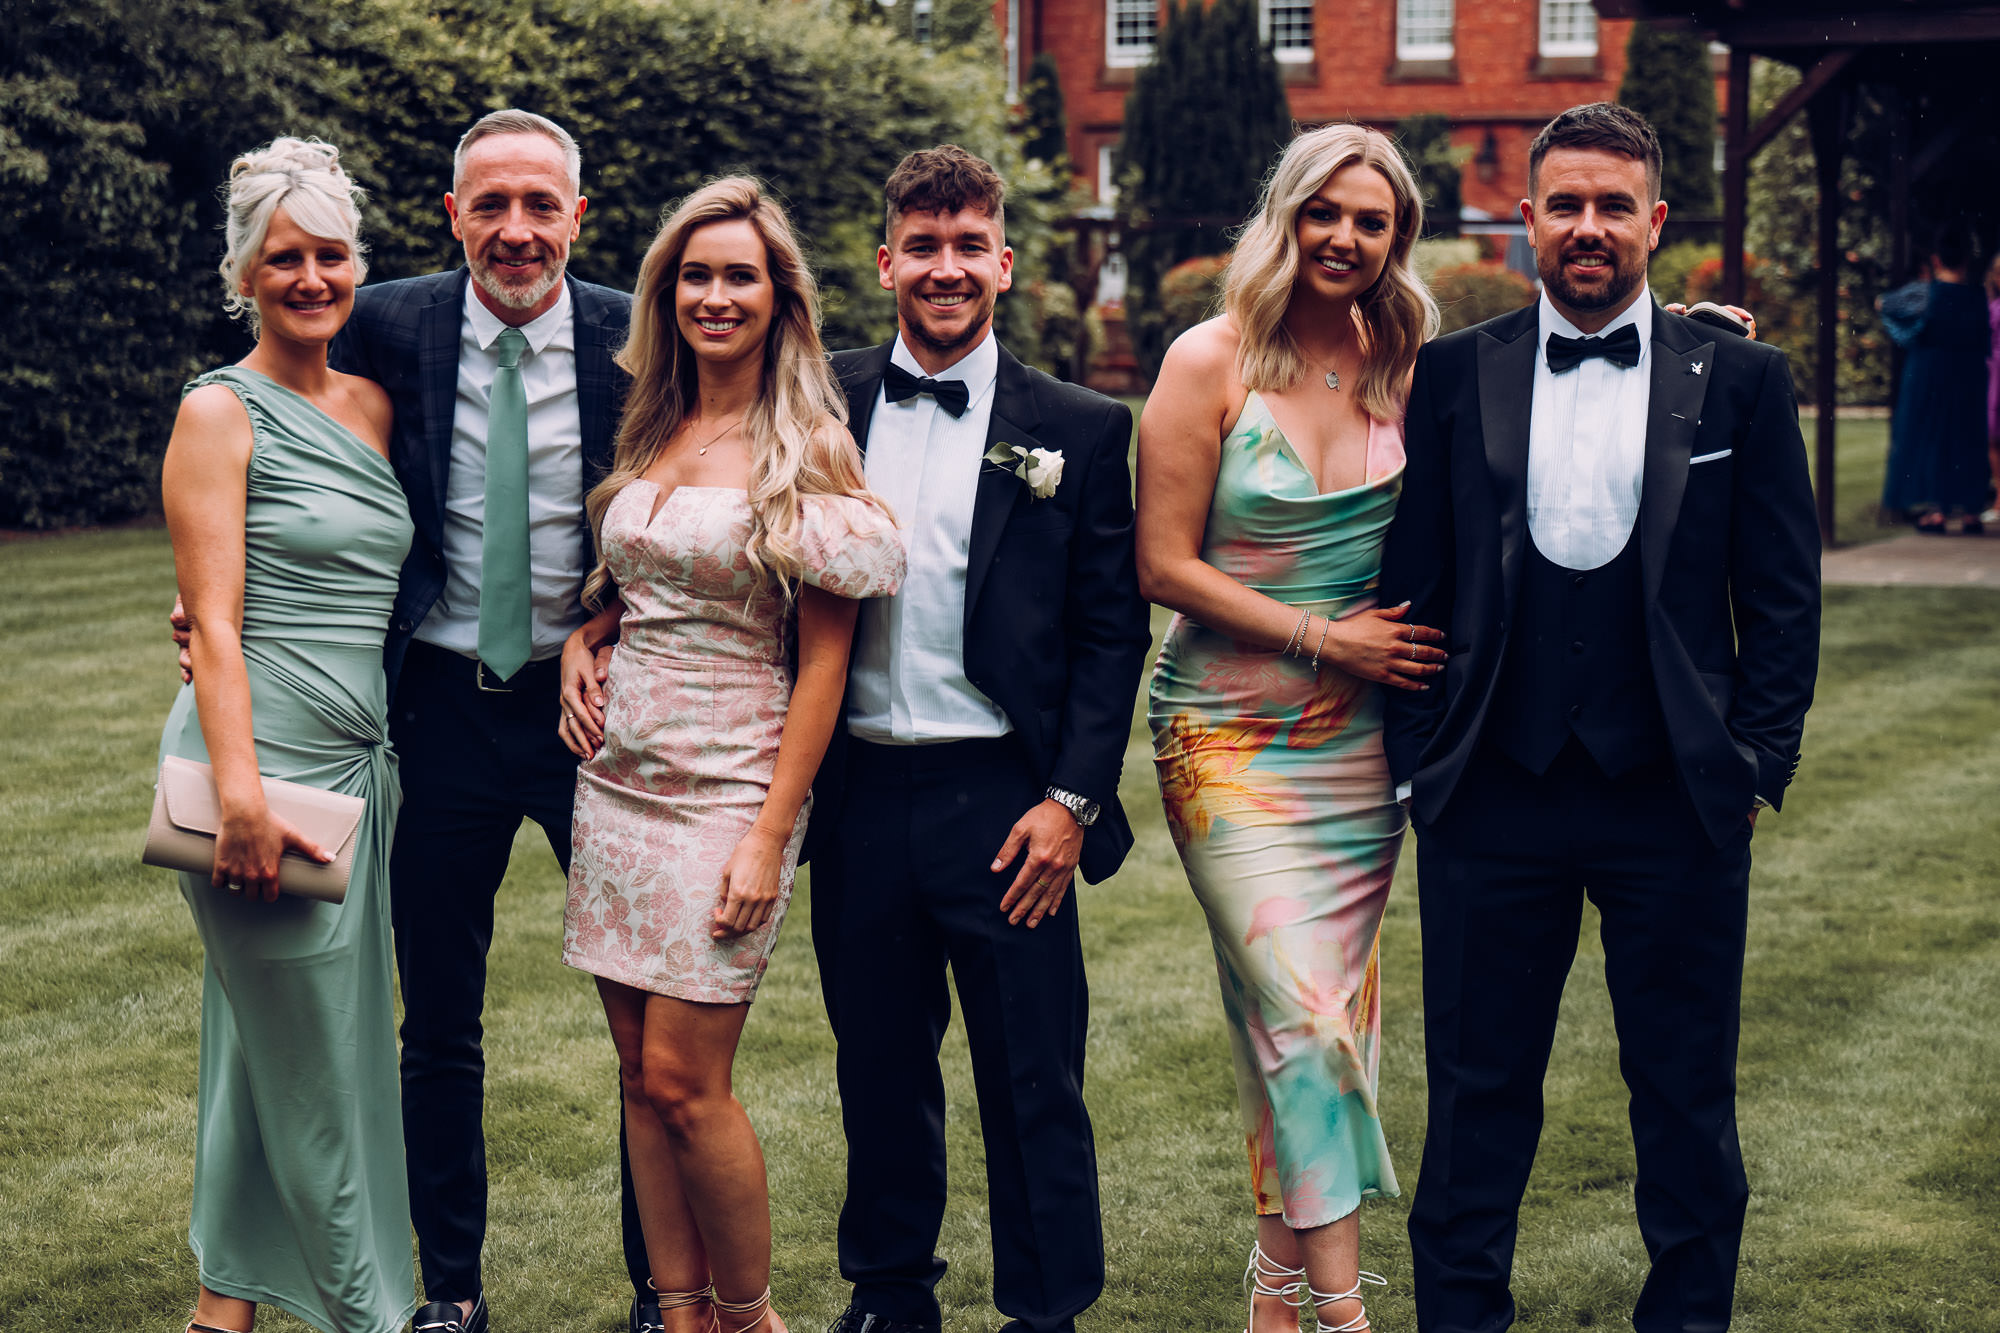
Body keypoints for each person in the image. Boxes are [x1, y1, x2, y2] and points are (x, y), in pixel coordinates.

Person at [180, 109, 654, 1333]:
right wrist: (209, 612)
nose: (516, 229)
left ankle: (666, 1290)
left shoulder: (638, 336)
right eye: (489, 204)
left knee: (647, 1021)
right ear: (452, 216)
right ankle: (449, 1291)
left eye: (540, 204)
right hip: (434, 714)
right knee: (436, 1022)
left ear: (577, 215)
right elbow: (266, 454)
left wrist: (610, 620)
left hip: (592, 713)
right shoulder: (383, 322)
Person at [1379, 103, 1821, 1333]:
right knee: (1474, 1097)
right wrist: (1420, 769)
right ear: (1526, 220)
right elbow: (1413, 581)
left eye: (1611, 206)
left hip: (1673, 796)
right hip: (1491, 791)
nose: (1587, 227)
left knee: (1683, 1100)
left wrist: (1754, 764)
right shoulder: (1453, 373)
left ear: (1653, 222)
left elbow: (1780, 597)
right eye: (1564, 204)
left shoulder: (1739, 380)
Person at [805, 145, 1153, 1333]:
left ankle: (1045, 1307)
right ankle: (889, 1291)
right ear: (885, 260)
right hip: (858, 790)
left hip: (1005, 795)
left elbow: (1110, 633)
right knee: (877, 1060)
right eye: (922, 246)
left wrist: (1072, 800)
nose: (943, 268)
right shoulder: (820, 399)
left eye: (967, 247)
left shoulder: (1081, 428)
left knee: (1030, 1070)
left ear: (1003, 262)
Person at [553, 178, 905, 1333]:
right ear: (667, 293)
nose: (714, 295)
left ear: (777, 298)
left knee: (687, 1082)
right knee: (636, 1078)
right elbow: (647, 580)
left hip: (728, 791)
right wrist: (588, 635)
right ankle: (680, 1313)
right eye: (693, 275)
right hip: (616, 781)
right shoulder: (653, 423)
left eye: (738, 276)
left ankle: (751, 1319)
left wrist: (768, 834)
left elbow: (824, 663)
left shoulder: (807, 448)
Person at [1134, 123, 1447, 1333]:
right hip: (1222, 739)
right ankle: (1343, 1312)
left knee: (1309, 1024)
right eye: (1324, 212)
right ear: (1284, 216)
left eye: (1371, 221)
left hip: (1358, 753)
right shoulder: (1205, 361)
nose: (1344, 238)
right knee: (1309, 1018)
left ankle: (1274, 1296)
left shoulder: (1409, 365)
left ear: (1396, 238)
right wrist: (1325, 637)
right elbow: (1162, 565)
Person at [160, 137, 415, 1333]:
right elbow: (211, 621)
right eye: (284, 259)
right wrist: (242, 797)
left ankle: (222, 1310)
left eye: (330, 255)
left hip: (362, 768)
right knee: (320, 1069)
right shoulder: (217, 410)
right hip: (255, 777)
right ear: (243, 277)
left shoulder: (373, 404)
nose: (311, 278)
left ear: (356, 265)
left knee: (266, 1052)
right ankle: (369, 1315)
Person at [1879, 225, 1990, 534]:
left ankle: (1936, 509)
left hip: (1929, 373)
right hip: (1968, 375)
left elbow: (1884, 303)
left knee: (1930, 438)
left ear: (1937, 259)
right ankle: (1970, 511)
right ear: (1966, 259)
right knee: (1967, 438)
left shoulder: (1925, 293)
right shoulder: (1977, 295)